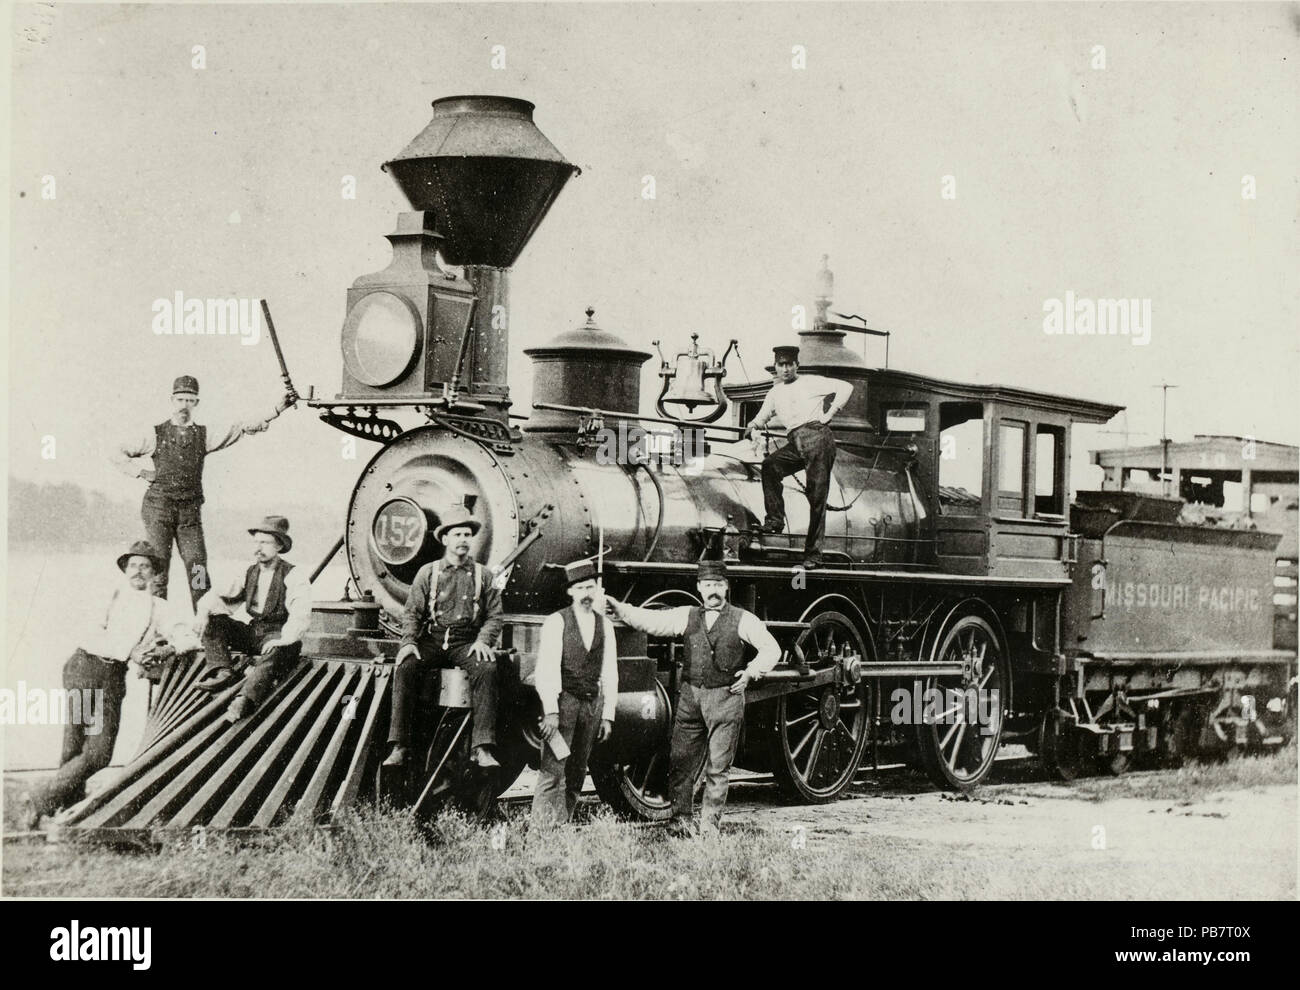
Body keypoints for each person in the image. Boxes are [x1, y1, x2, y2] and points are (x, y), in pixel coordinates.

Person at [17, 540, 198, 829]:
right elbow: (91, 635)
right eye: (133, 566)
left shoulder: (159, 607)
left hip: (114, 679)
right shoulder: (109, 595)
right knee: (72, 744)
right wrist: (131, 651)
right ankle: (66, 813)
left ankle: (40, 800)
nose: (138, 571)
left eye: (145, 566)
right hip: (84, 668)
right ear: (125, 569)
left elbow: (189, 637)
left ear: (155, 573)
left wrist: (168, 649)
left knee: (100, 752)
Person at [606, 560, 780, 836]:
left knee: (718, 768)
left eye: (718, 585)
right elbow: (650, 621)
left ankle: (710, 828)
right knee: (680, 762)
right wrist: (619, 608)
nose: (713, 591)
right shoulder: (686, 615)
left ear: (726, 587)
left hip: (725, 698)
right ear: (699, 587)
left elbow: (772, 649)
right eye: (708, 585)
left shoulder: (743, 619)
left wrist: (750, 673)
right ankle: (681, 820)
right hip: (690, 699)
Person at [111, 375, 296, 605]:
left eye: (189, 400)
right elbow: (117, 453)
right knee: (159, 568)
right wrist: (141, 472)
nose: (184, 405)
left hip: (189, 512)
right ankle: (156, 633)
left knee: (197, 566)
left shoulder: (204, 435)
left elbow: (242, 427)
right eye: (180, 399)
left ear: (196, 403)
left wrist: (276, 409)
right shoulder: (154, 434)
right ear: (172, 400)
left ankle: (205, 623)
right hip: (158, 509)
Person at [383, 508, 504, 770]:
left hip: (466, 642)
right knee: (405, 667)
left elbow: (495, 615)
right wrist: (409, 643)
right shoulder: (429, 572)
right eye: (457, 534)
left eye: (467, 534)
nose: (463, 539)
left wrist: (483, 641)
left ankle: (482, 747)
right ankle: (399, 745)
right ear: (445, 539)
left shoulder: (485, 575)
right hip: (434, 639)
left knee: (487, 669)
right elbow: (412, 612)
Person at [193, 515, 311, 723]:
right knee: (214, 621)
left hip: (278, 634)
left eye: (264, 543)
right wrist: (203, 612)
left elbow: (300, 613)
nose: (258, 548)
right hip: (254, 631)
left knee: (276, 650)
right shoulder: (248, 572)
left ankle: (244, 700)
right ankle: (222, 670)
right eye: (256, 542)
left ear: (279, 546)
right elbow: (218, 595)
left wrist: (284, 638)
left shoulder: (293, 575)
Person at [746, 345, 853, 568]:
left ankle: (813, 555)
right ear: (775, 367)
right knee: (770, 466)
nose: (785, 369)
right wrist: (752, 425)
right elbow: (762, 416)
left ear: (797, 365)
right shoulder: (775, 393)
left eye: (789, 365)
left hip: (817, 437)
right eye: (780, 365)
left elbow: (846, 387)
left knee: (816, 497)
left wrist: (829, 414)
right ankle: (775, 520)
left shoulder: (812, 381)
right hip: (795, 441)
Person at [532, 559, 618, 825]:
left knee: (577, 772)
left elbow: (610, 672)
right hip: (564, 703)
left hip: (592, 705)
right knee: (553, 771)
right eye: (580, 588)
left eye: (591, 587)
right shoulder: (556, 622)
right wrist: (551, 711)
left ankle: (562, 826)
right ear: (570, 592)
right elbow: (546, 668)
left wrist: (607, 715)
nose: (586, 594)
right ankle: (542, 832)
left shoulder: (606, 625)